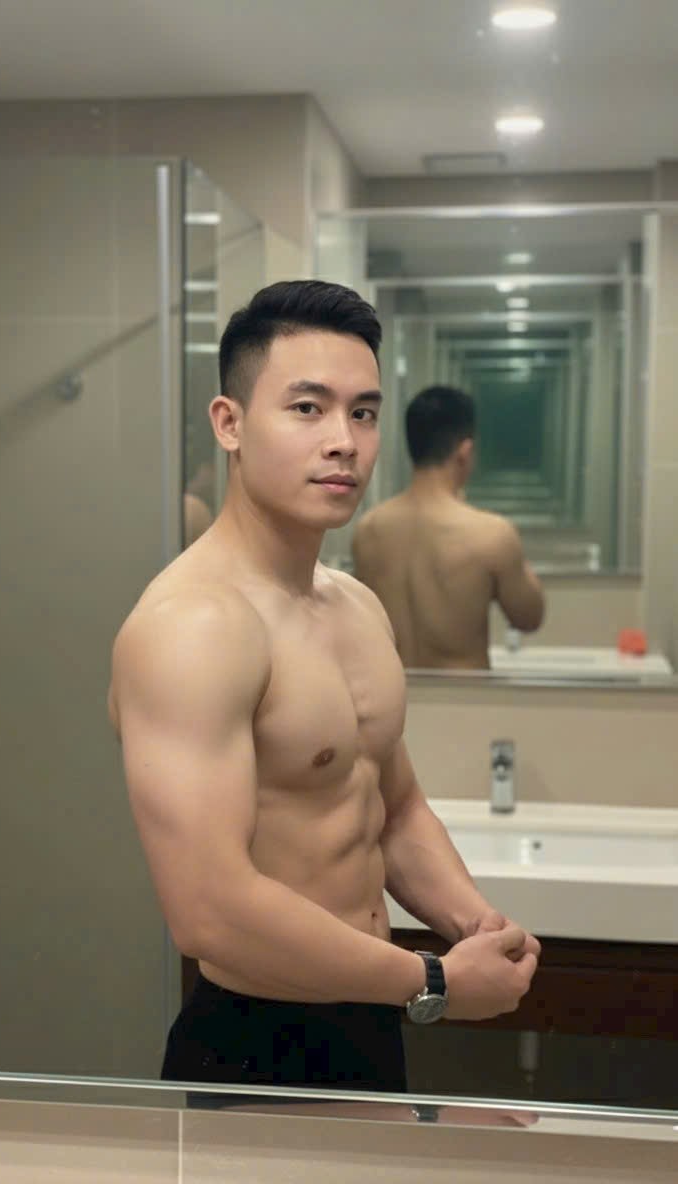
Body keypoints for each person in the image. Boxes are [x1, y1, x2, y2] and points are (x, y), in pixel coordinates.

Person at [108, 282, 540, 1095]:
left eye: (363, 413)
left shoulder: (354, 606)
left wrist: (472, 921)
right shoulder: (194, 626)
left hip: (369, 1015)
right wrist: (434, 982)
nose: (343, 441)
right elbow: (208, 911)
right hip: (255, 1039)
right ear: (229, 423)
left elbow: (393, 807)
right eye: (307, 408)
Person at [352, 385, 545, 670]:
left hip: (392, 692)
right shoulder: (491, 534)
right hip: (462, 695)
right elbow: (529, 618)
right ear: (465, 451)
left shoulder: (368, 529)